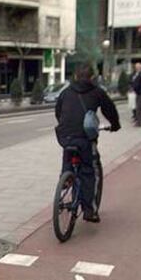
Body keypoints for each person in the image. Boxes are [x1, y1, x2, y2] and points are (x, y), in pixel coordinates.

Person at [55, 63, 121, 223]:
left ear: (75, 76)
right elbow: (109, 109)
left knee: (68, 161)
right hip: (85, 139)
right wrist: (115, 125)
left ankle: (65, 179)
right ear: (92, 77)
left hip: (65, 137)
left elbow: (58, 112)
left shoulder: (65, 92)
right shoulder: (97, 92)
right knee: (91, 171)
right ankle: (90, 210)